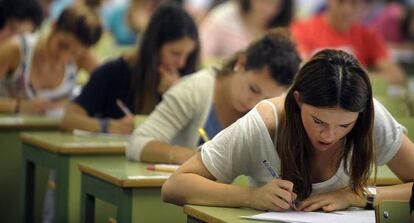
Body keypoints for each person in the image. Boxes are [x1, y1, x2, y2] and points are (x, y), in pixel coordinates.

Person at [162, 49, 414, 212]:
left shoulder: (370, 116)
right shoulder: (264, 122)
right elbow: (175, 186)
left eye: (344, 126)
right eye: (318, 121)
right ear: (298, 100)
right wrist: (251, 196)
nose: (329, 135)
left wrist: (358, 195)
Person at [126, 28, 301, 164]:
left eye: (266, 99)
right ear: (240, 64)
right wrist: (197, 158)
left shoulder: (276, 110)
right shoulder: (195, 90)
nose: (254, 103)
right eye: (253, 89)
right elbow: (137, 144)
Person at [61, 2, 200, 134]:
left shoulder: (187, 76)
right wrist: (108, 126)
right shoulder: (113, 73)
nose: (182, 63)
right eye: (175, 54)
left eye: (188, 54)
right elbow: (69, 120)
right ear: (154, 47)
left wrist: (177, 96)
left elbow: (202, 132)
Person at [0, 4, 102, 115]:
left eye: (74, 53)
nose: (64, 56)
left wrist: (74, 104)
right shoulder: (15, 50)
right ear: (53, 27)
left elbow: (110, 86)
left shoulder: (84, 57)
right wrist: (19, 106)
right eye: (62, 45)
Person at [290, 0, 406, 85]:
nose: (347, 9)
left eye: (354, 3)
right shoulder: (302, 29)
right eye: (341, 2)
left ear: (364, 6)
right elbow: (301, 71)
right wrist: (358, 78)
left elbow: (396, 76)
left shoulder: (369, 35)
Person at [200, 0, 293, 60]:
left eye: (276, 6)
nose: (268, 10)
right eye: (263, 2)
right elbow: (200, 57)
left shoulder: (280, 27)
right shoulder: (221, 19)